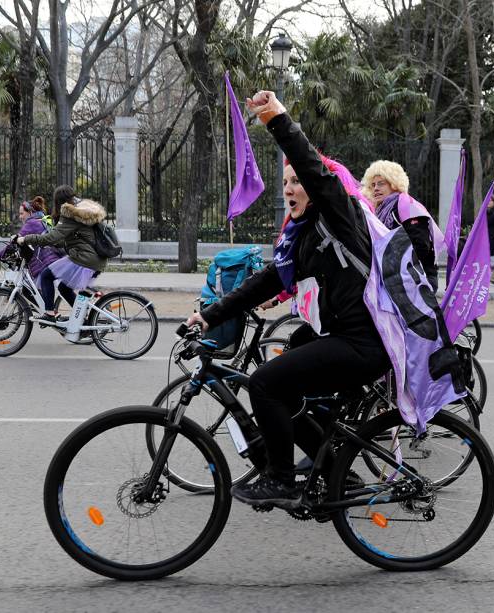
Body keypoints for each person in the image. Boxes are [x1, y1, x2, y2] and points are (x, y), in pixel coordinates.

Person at [185, 91, 392, 509]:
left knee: (265, 385)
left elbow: (314, 168)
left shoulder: (340, 215)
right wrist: (210, 315)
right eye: (285, 183)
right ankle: (336, 468)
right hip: (341, 335)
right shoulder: (302, 238)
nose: (290, 189)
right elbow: (266, 282)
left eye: (297, 182)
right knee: (286, 371)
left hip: (364, 342)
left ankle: (280, 478)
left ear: (316, 188)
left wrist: (276, 118)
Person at [17, 186, 109, 322]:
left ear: (58, 201)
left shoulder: (70, 213)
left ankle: (49, 313)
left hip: (84, 258)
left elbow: (53, 237)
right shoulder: (82, 210)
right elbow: (75, 238)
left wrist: (26, 239)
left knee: (46, 276)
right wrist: (54, 244)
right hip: (95, 258)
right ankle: (83, 321)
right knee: (63, 287)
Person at [361, 160, 441, 290]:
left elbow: (422, 245)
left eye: (381, 184)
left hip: (417, 280)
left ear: (394, 184)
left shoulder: (405, 204)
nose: (375, 188)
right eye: (373, 185)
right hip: (395, 279)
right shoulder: (380, 211)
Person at [0, 196, 61, 281]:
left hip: (44, 263)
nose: (20, 217)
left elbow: (13, 244)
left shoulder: (32, 223)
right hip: (49, 260)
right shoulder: (40, 220)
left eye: (22, 213)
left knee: (42, 291)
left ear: (30, 212)